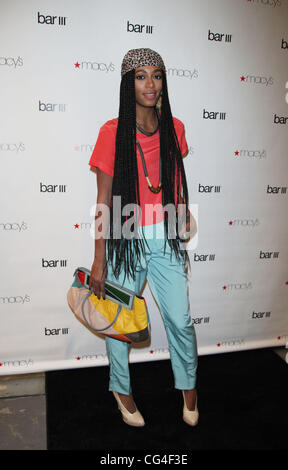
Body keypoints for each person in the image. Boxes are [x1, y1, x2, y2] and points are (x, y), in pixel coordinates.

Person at [88, 48, 198, 427]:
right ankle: (121, 389)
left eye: (156, 75)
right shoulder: (111, 132)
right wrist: (99, 258)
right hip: (125, 234)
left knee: (180, 319)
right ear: (127, 83)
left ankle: (189, 386)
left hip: (165, 233)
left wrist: (182, 209)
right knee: (120, 321)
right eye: (140, 76)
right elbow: (103, 199)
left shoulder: (175, 127)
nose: (150, 83)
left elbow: (173, 178)